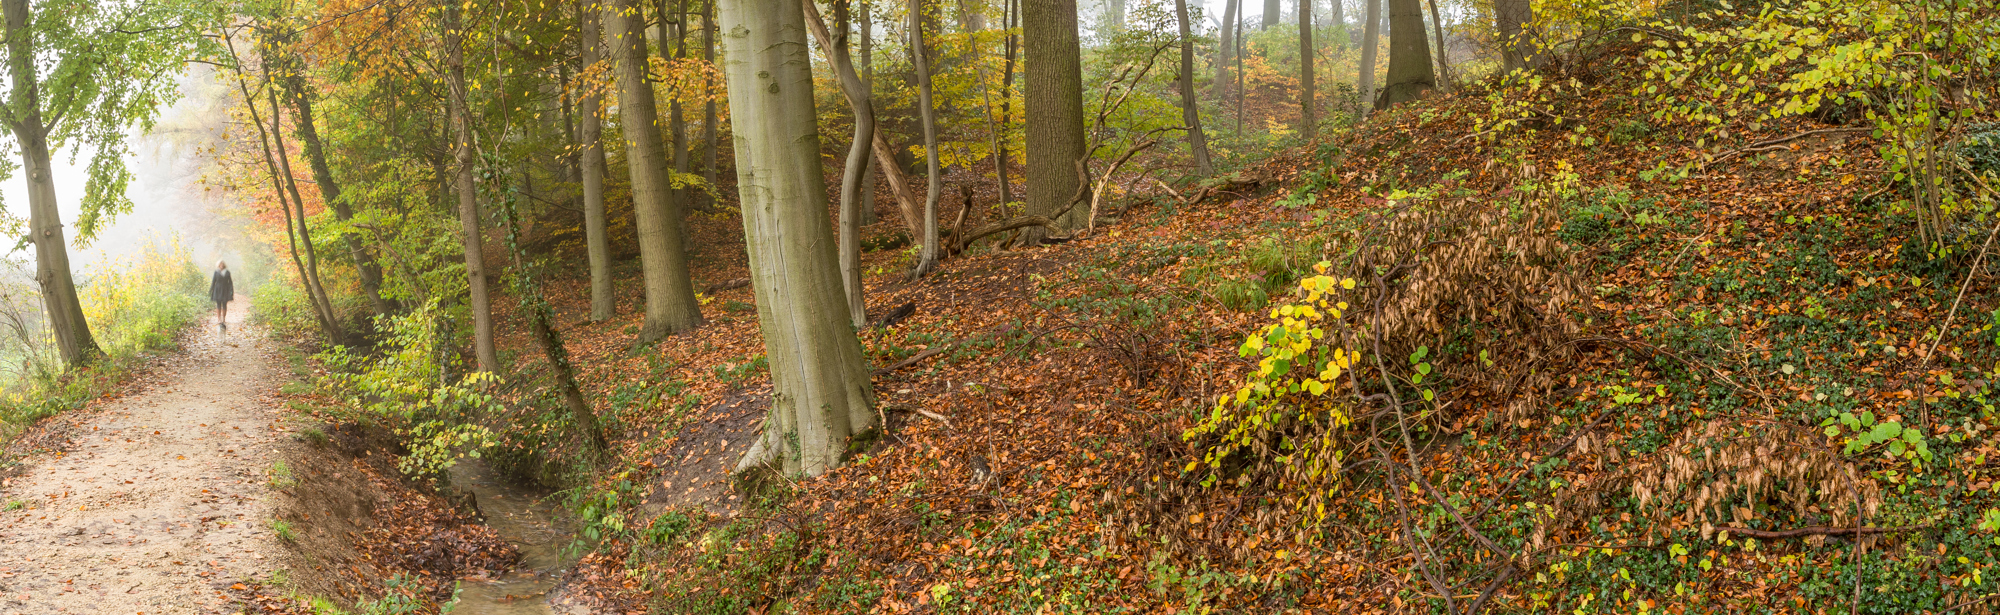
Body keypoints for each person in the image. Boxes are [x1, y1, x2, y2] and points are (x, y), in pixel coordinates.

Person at [210, 260, 234, 332]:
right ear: (218, 265)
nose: (221, 265)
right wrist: (211, 290)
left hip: (225, 289)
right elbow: (213, 282)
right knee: (218, 304)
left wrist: (231, 290)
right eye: (220, 264)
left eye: (222, 264)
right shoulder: (216, 272)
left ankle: (223, 319)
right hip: (217, 289)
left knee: (224, 304)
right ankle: (219, 319)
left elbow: (230, 282)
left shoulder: (227, 272)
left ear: (224, 265)